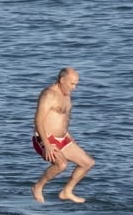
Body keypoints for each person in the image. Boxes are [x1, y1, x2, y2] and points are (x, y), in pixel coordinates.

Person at [31, 67, 95, 204]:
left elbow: (63, 119)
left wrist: (69, 137)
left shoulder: (66, 94)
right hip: (44, 138)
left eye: (76, 84)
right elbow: (38, 120)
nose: (74, 88)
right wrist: (47, 145)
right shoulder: (49, 94)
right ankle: (38, 186)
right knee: (61, 164)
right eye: (72, 84)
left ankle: (67, 191)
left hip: (63, 138)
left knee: (88, 163)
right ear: (62, 80)